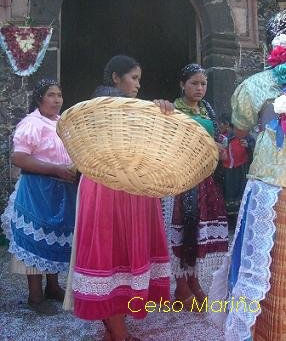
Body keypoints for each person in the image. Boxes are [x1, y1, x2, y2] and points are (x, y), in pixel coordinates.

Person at [65, 55, 173, 341]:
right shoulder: (105, 108)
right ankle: (118, 332)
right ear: (115, 77)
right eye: (133, 78)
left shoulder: (134, 110)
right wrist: (152, 112)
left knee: (120, 256)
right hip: (109, 190)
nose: (138, 84)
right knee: (110, 256)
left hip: (129, 189)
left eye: (139, 79)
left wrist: (161, 112)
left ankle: (114, 329)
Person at [209, 10, 286, 341]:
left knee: (267, 268)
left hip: (270, 187)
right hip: (270, 187)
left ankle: (266, 331)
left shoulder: (253, 86)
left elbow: (241, 129)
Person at [1, 79, 77, 315]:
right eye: (51, 95)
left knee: (53, 237)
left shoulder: (61, 123)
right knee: (35, 239)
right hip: (37, 190)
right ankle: (35, 295)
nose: (57, 100)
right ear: (39, 99)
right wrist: (55, 170)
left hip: (59, 191)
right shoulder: (31, 124)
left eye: (60, 95)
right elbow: (19, 158)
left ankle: (52, 287)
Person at [162, 64, 228, 309]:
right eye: (194, 83)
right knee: (181, 229)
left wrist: (220, 147)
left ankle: (194, 280)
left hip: (205, 180)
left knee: (198, 231)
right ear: (182, 84)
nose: (200, 88)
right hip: (181, 179)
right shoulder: (171, 110)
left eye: (203, 84)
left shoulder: (207, 109)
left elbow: (217, 139)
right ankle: (180, 285)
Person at [218, 114, 255, 227]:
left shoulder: (250, 139)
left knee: (241, 193)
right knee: (229, 193)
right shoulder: (227, 138)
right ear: (232, 128)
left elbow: (255, 155)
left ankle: (240, 221)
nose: (239, 131)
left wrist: (248, 147)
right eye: (236, 128)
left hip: (242, 171)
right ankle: (230, 221)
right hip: (228, 171)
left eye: (242, 128)